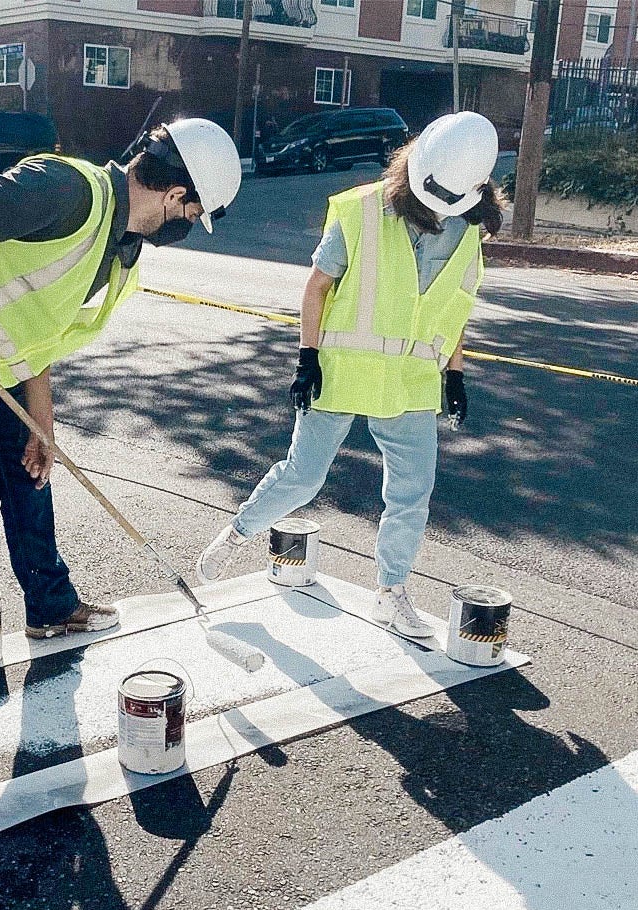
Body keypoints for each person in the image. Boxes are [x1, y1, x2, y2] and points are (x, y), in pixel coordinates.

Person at [0, 119, 244, 780]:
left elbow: (41, 321)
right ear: (179, 194)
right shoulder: (67, 190)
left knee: (29, 470)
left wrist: (43, 415)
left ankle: (51, 605)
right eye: (194, 212)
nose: (187, 223)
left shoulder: (123, 250)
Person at [196, 112, 505, 637]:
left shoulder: (471, 228)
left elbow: (454, 311)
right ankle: (238, 533)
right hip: (339, 370)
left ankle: (391, 591)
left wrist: (455, 374)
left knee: (411, 490)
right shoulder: (361, 210)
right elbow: (316, 287)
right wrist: (307, 355)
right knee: (304, 474)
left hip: (410, 381)